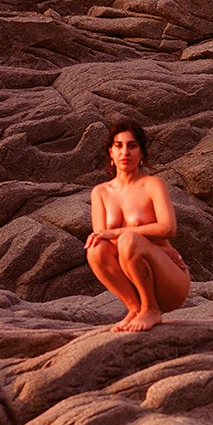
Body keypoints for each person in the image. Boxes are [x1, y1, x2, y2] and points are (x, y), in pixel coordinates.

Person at [85, 120, 190, 332]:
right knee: (96, 248)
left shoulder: (152, 185)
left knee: (128, 239)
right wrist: (116, 236)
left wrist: (119, 232)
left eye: (132, 146)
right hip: (132, 277)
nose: (125, 152)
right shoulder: (100, 193)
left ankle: (151, 309)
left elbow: (169, 228)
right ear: (111, 152)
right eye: (119, 145)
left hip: (168, 277)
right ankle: (135, 308)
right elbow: (102, 237)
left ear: (141, 152)